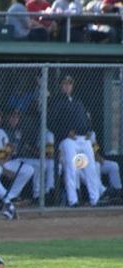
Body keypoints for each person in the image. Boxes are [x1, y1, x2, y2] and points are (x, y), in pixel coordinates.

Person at [49, 75, 102, 207]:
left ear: (72, 86)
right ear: (61, 86)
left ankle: (95, 199)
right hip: (68, 140)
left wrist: (89, 130)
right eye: (65, 84)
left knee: (90, 168)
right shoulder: (56, 102)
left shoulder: (78, 101)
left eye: (70, 84)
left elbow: (86, 120)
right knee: (72, 168)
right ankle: (73, 200)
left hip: (83, 139)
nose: (67, 86)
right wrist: (66, 132)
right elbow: (50, 123)